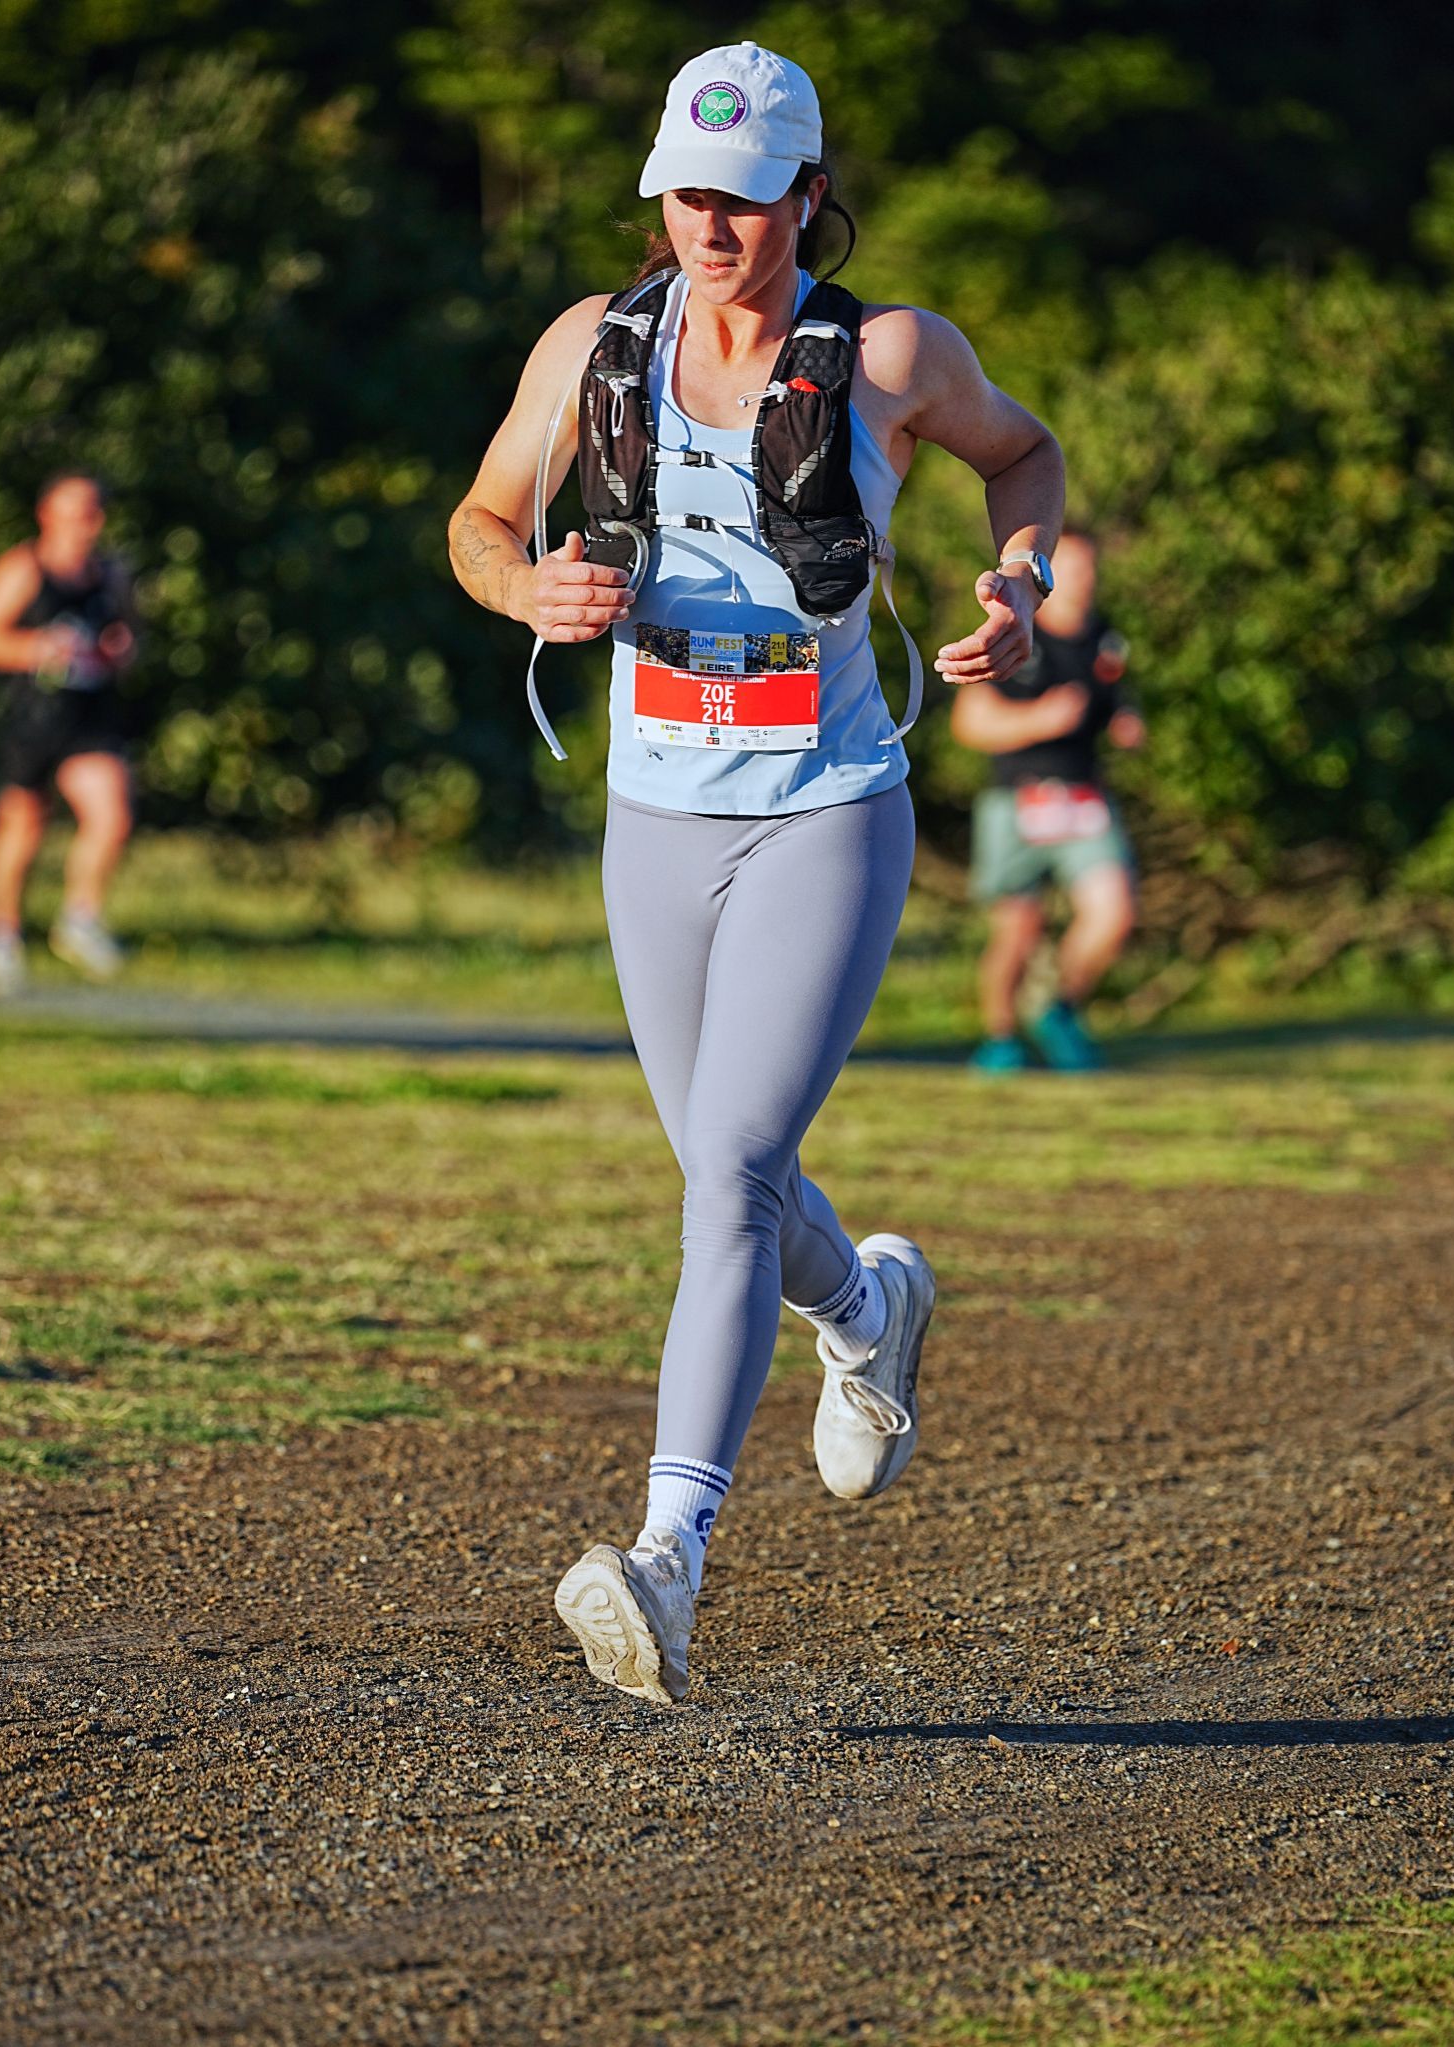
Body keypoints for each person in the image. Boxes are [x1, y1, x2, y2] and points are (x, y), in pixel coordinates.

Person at [449, 41, 1064, 1704]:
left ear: (809, 197)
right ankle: (867, 1308)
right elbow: (480, 519)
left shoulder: (890, 357)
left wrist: (1023, 585)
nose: (714, 225)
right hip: (654, 819)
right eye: (688, 194)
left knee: (725, 1168)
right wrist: (525, 596)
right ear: (662, 193)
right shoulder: (595, 348)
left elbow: (1028, 457)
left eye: (748, 195)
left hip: (827, 805)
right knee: (736, 1179)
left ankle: (667, 1561)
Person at [952, 528, 1143, 1074]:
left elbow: (1112, 701)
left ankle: (1059, 1009)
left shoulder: (1105, 638)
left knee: (1114, 910)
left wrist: (1126, 723)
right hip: (1019, 800)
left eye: (1090, 571)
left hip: (1084, 798)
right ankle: (1001, 1040)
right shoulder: (1012, 633)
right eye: (1072, 572)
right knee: (1017, 930)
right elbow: (971, 724)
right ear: (1045, 579)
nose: (1084, 584)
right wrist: (1039, 720)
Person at [0, 471, 137, 995]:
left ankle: (79, 917)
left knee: (111, 814)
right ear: (46, 513)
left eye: (92, 512)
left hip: (88, 717)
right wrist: (35, 650)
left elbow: (127, 640)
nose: (84, 524)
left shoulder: (109, 574)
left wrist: (118, 652)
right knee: (21, 827)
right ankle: (2, 939)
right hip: (33, 718)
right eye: (72, 511)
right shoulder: (23, 569)